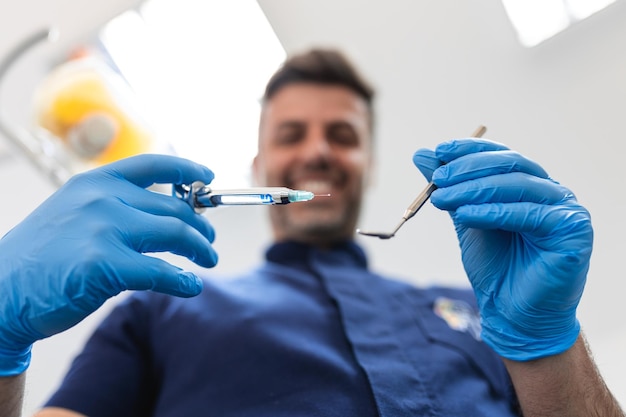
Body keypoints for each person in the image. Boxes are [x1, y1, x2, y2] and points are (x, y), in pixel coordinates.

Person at [0, 48, 623, 417]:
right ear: (257, 169)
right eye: (291, 135)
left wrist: (548, 347)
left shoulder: (485, 309)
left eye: (343, 136)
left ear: (370, 165)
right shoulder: (158, 314)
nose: (319, 152)